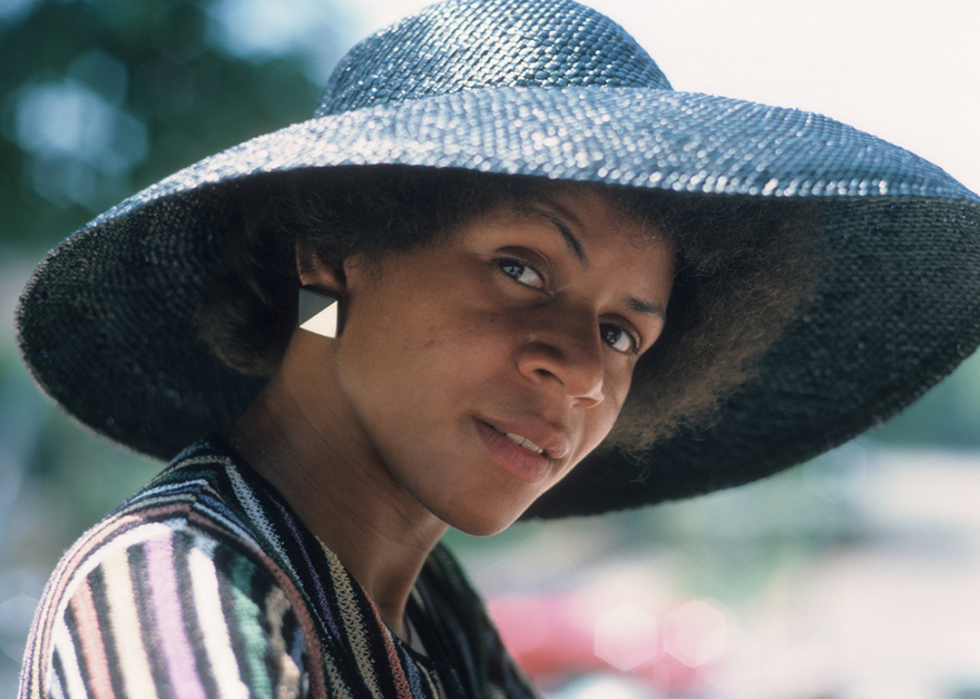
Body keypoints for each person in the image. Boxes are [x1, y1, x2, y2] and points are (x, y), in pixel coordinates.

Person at [14, 0, 980, 697]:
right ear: (333, 251)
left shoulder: (434, 614)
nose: (587, 372)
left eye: (622, 331)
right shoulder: (173, 589)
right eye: (521, 269)